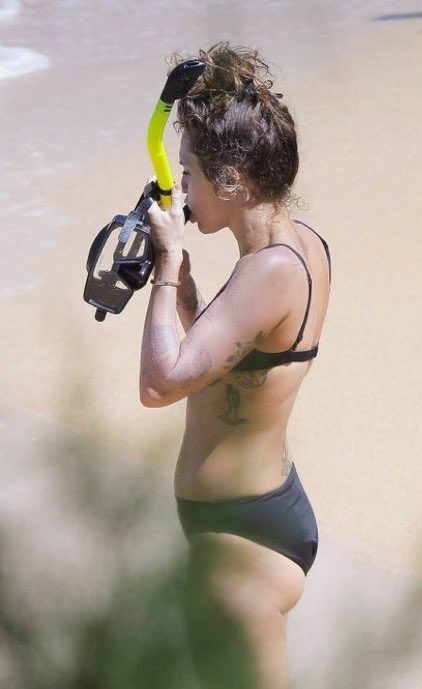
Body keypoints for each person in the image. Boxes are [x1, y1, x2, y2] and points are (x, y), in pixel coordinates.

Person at [140, 42, 331, 689]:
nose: (183, 190)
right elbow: (241, 363)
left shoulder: (270, 269)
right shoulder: (299, 246)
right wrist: (191, 303)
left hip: (240, 541)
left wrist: (167, 271)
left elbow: (159, 384)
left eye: (190, 173)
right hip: (259, 511)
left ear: (232, 180)